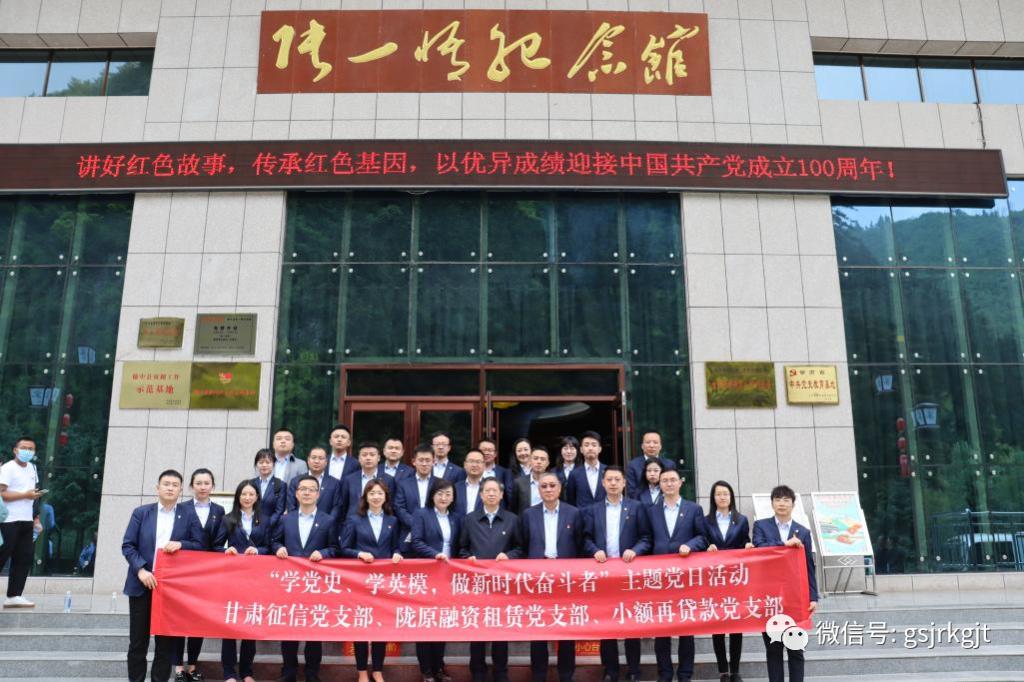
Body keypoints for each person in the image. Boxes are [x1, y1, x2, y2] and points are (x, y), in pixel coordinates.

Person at [121, 469, 203, 682]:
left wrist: (182, 544)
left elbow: (199, 544)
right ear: (157, 488)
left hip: (170, 589)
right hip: (142, 583)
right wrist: (141, 570)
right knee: (138, 642)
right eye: (166, 484)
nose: (170, 488)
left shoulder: (188, 515)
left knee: (165, 644)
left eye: (175, 485)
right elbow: (128, 545)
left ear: (180, 490)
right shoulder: (142, 513)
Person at [583, 466, 649, 682]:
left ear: (624, 483)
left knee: (631, 625)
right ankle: (610, 670)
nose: (613, 483)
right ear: (603, 483)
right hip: (603, 576)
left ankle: (634, 670)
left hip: (628, 575)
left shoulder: (636, 507)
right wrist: (594, 550)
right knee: (606, 625)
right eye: (609, 479)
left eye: (617, 479)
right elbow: (585, 538)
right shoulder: (592, 510)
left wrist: (635, 550)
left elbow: (646, 537)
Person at [644, 468, 707, 682]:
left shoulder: (694, 509)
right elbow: (647, 539)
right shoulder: (651, 511)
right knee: (662, 629)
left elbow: (703, 537)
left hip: (684, 577)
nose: (669, 484)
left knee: (686, 629)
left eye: (673, 480)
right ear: (659, 484)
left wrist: (690, 545)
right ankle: (665, 673)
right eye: (665, 480)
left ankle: (685, 674)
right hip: (659, 578)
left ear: (680, 483)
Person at [272, 474, 337, 682]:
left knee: (314, 633)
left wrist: (323, 553)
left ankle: (312, 673)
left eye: (311, 489)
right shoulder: (286, 519)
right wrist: (279, 548)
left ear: (318, 494)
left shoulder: (328, 520)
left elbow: (335, 548)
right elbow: (274, 541)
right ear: (296, 494)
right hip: (290, 583)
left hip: (315, 584)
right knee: (289, 631)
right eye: (303, 489)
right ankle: (288, 672)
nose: (307, 493)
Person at [519, 472, 582, 682]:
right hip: (538, 579)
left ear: (560, 488)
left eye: (552, 485)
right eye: (544, 486)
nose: (548, 489)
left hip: (565, 579)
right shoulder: (529, 514)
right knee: (538, 629)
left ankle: (566, 675)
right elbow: (523, 545)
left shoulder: (573, 513)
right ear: (538, 490)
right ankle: (539, 675)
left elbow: (579, 545)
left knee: (566, 630)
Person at [457, 478, 521, 682]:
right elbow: (462, 548)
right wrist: (468, 558)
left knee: (500, 630)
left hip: (503, 583)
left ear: (501, 495)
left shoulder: (512, 519)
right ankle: (478, 672)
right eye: (487, 491)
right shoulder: (470, 519)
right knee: (477, 629)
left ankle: (501, 671)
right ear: (481, 495)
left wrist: (509, 556)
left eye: (495, 491)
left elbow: (520, 548)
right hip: (477, 583)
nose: (491, 494)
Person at [753, 485, 819, 682]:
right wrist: (784, 545)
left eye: (786, 500)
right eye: (778, 499)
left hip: (795, 598)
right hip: (769, 597)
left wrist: (813, 596)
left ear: (793, 504)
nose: (782, 504)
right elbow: (760, 548)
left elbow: (809, 566)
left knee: (796, 648)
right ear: (772, 503)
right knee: (773, 649)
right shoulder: (761, 526)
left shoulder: (803, 532)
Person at [339, 479, 403, 682]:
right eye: (372, 493)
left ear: (385, 497)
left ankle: (377, 670)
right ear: (366, 497)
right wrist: (359, 554)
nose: (376, 497)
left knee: (380, 626)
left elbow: (396, 546)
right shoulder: (354, 520)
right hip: (360, 581)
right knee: (361, 624)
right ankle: (361, 671)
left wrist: (397, 553)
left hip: (383, 582)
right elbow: (344, 548)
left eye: (380, 493)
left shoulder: (393, 521)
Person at [214, 480, 271, 682]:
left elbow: (270, 547)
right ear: (238, 496)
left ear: (257, 497)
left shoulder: (265, 520)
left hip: (256, 579)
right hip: (233, 578)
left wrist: (258, 550)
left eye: (251, 494)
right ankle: (229, 672)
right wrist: (225, 549)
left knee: (250, 625)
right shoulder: (228, 519)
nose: (247, 498)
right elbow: (215, 545)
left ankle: (247, 672)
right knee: (229, 626)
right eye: (243, 494)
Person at [172, 468, 226, 682]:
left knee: (198, 621)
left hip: (206, 573)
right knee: (179, 620)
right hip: (183, 571)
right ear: (191, 486)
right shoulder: (181, 508)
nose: (203, 487)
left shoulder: (219, 510)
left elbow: (218, 542)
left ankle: (193, 667)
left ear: (212, 486)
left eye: (207, 483)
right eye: (199, 483)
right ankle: (178, 668)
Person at [410, 480, 461, 682]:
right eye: (440, 493)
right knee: (425, 621)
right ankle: (426, 670)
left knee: (442, 622)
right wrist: (435, 554)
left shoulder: (456, 518)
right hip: (427, 574)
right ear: (432, 495)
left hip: (448, 576)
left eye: (448, 494)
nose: (444, 497)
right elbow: (416, 542)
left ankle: (439, 666)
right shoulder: (421, 514)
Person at [702, 481, 753, 682]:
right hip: (714, 579)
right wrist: (707, 548)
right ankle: (723, 670)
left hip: (734, 578)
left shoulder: (741, 520)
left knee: (735, 625)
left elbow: (744, 540)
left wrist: (747, 545)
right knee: (718, 626)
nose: (722, 497)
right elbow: (702, 542)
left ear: (731, 497)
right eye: (718, 494)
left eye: (726, 493)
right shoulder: (706, 521)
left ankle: (735, 670)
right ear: (713, 498)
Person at [0, 436, 42, 608]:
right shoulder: (8, 468)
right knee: (2, 555)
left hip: (26, 520)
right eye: (24, 448)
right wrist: (25, 495)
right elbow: (2, 493)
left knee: (24, 557)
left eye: (31, 449)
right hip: (8, 520)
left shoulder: (32, 468)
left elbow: (34, 496)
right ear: (15, 450)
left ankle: (14, 595)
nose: (27, 451)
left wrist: (36, 519)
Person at [394, 445, 443, 546]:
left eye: (428, 460)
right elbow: (399, 508)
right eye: (421, 460)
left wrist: (429, 525)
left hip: (435, 534)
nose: (424, 464)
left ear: (433, 462)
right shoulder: (403, 484)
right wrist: (417, 524)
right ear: (414, 462)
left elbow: (444, 507)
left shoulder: (440, 484)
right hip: (409, 533)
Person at [341, 442, 396, 520]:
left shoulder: (388, 480)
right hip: (353, 522)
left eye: (372, 455)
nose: (368, 458)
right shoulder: (349, 480)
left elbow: (390, 505)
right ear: (359, 458)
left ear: (378, 458)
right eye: (364, 455)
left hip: (379, 521)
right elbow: (343, 506)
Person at [287, 446, 343, 523]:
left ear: (326, 462)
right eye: (313, 458)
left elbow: (336, 507)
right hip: (299, 524)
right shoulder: (296, 481)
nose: (317, 461)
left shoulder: (335, 483)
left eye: (320, 458)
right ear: (308, 460)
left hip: (325, 526)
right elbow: (291, 506)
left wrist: (327, 523)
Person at [626, 431, 675, 500]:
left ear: (660, 446)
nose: (651, 446)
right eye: (648, 442)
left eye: (655, 442)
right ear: (642, 446)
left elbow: (673, 488)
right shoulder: (633, 465)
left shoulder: (669, 464)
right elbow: (631, 492)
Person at [566, 431, 607, 508]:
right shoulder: (574, 474)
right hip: (582, 515)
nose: (590, 448)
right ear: (581, 449)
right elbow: (571, 501)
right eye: (586, 445)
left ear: (600, 449)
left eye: (594, 445)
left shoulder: (608, 471)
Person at [250, 448, 287, 529]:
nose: (264, 465)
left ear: (273, 464)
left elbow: (279, 510)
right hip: (251, 527)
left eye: (268, 462)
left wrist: (266, 525)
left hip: (271, 528)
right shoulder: (250, 484)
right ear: (256, 465)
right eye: (261, 462)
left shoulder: (280, 485)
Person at [511, 446, 550, 516]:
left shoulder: (554, 483)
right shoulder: (519, 483)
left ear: (547, 463)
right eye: (535, 458)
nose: (539, 462)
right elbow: (514, 508)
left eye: (542, 459)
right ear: (530, 461)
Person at [453, 449, 487, 516]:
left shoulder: (491, 487)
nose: (474, 465)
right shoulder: (455, 488)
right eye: (471, 461)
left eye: (478, 462)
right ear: (465, 465)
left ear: (484, 465)